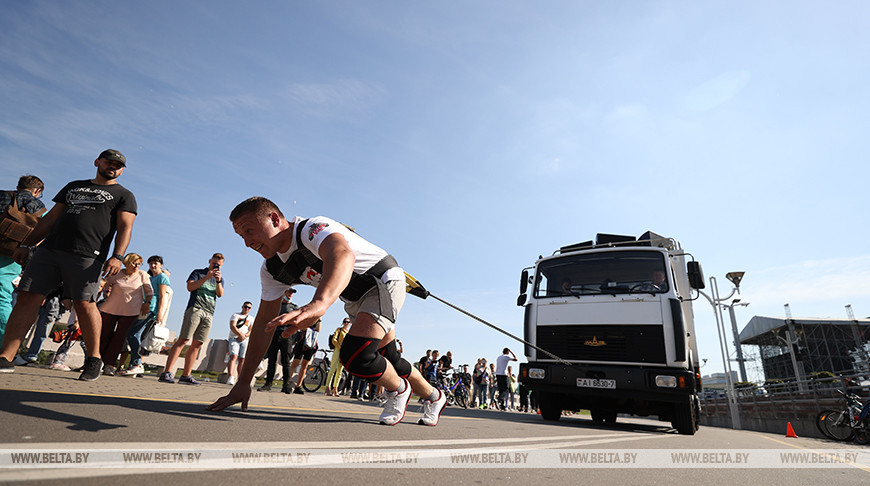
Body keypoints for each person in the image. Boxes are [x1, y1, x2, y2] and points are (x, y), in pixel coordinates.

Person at [208, 197, 447, 426]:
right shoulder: (271, 270)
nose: (247, 243)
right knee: (390, 358)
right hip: (354, 298)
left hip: (381, 281)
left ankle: (398, 389)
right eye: (241, 236)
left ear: (273, 218)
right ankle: (435, 396)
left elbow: (342, 254)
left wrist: (319, 304)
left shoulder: (312, 228)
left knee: (357, 356)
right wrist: (244, 381)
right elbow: (263, 323)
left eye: (250, 231)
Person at [0, 150, 137, 381]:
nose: (112, 167)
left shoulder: (124, 195)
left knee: (84, 304)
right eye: (108, 162)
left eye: (118, 165)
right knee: (27, 297)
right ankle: (7, 356)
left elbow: (125, 227)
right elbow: (51, 218)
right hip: (50, 250)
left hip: (88, 256)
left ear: (122, 170)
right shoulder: (74, 186)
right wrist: (26, 244)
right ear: (97, 162)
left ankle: (94, 359)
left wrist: (118, 256)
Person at [159, 253, 225, 385]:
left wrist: (217, 280)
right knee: (183, 339)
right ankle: (166, 372)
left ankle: (186, 375)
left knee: (198, 343)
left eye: (218, 264)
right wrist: (207, 277)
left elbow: (220, 294)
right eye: (214, 263)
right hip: (195, 308)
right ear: (209, 261)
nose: (215, 266)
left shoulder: (220, 279)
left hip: (209, 312)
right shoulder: (198, 273)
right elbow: (190, 287)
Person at [0, 175, 47, 342]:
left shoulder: (3, 195)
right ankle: (4, 344)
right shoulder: (38, 206)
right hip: (12, 254)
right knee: (3, 298)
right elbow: (44, 230)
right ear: (38, 190)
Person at [98, 253, 153, 376]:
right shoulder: (117, 273)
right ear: (127, 263)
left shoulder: (142, 275)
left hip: (130, 311)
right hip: (110, 309)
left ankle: (109, 365)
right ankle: (97, 362)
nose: (137, 266)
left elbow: (149, 292)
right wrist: (106, 292)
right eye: (134, 263)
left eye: (139, 264)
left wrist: (147, 303)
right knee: (104, 335)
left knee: (119, 338)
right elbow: (105, 283)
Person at [121, 255, 172, 377]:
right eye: (151, 264)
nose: (153, 266)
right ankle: (136, 364)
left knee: (133, 334)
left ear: (161, 265)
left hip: (151, 309)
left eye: (156, 263)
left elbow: (162, 296)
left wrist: (159, 313)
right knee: (135, 335)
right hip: (143, 307)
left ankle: (137, 364)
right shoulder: (150, 277)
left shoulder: (162, 277)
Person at [258, 288, 297, 392]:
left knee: (286, 361)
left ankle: (286, 385)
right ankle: (268, 384)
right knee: (272, 360)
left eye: (292, 293)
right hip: (273, 334)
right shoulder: (275, 306)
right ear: (283, 292)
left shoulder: (294, 308)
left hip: (286, 336)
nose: (290, 294)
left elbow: (296, 323)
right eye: (288, 291)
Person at [12, 292, 62, 365]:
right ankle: (14, 352)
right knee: (23, 327)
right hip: (37, 295)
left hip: (53, 300)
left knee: (42, 332)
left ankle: (31, 356)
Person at [288, 319, 321, 394]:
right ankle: (287, 382)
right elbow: (300, 327)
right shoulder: (307, 316)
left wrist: (319, 320)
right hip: (302, 341)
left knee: (304, 366)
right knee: (295, 364)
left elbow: (318, 329)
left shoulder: (317, 318)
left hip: (311, 343)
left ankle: (298, 386)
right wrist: (309, 328)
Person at [225, 301, 254, 386]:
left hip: (245, 339)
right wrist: (240, 335)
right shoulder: (236, 315)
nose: (247, 309)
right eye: (245, 307)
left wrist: (245, 336)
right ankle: (230, 376)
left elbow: (251, 329)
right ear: (242, 307)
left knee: (242, 359)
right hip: (234, 338)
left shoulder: (251, 318)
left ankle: (240, 379)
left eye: (249, 307)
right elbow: (232, 326)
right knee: (234, 356)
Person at [324, 317, 351, 396]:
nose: (346, 323)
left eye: (348, 322)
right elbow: (334, 340)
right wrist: (340, 347)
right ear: (342, 322)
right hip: (337, 350)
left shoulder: (349, 333)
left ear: (350, 324)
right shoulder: (339, 330)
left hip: (344, 353)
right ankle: (327, 388)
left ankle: (335, 388)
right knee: (332, 369)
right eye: (345, 322)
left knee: (340, 371)